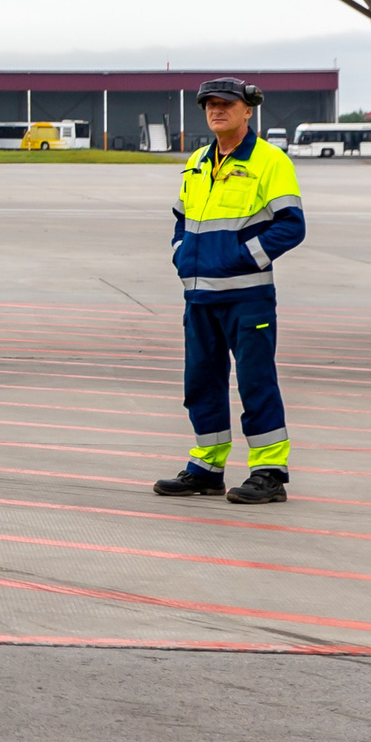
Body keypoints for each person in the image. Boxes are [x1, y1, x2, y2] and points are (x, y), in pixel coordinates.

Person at [153, 77, 303, 505]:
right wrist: (182, 252)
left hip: (246, 295)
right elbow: (182, 220)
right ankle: (207, 467)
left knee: (256, 382)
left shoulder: (269, 161)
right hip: (199, 297)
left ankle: (269, 472)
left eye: (225, 104)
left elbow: (292, 225)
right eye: (210, 105)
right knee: (201, 383)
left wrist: (242, 257)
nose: (217, 110)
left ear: (247, 110)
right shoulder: (198, 162)